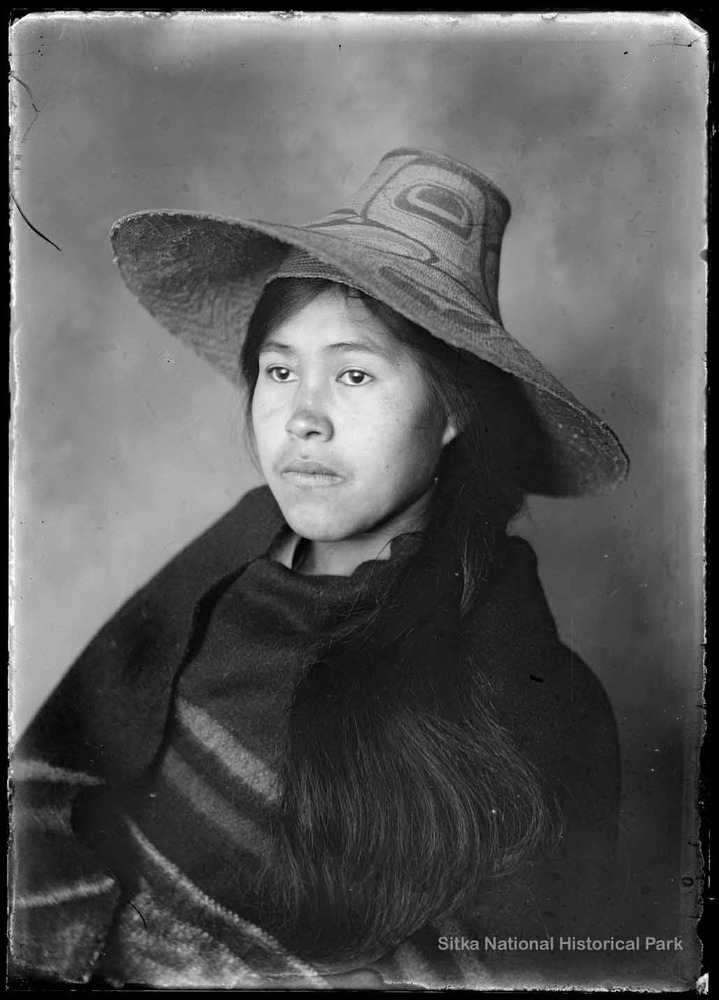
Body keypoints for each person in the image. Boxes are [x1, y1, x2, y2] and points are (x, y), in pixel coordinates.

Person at [9, 147, 629, 990]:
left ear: (449, 414)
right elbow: (54, 789)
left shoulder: (536, 697)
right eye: (279, 370)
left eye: (353, 373)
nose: (302, 417)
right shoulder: (225, 565)